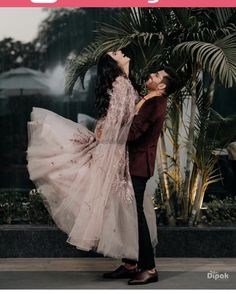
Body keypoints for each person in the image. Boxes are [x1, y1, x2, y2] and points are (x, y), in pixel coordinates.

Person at [26, 50, 157, 264]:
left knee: (118, 204)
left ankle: (130, 262)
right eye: (116, 53)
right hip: (116, 151)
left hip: (118, 149)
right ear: (112, 63)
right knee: (119, 203)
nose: (121, 51)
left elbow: (116, 118)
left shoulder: (124, 82)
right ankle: (131, 261)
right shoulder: (121, 84)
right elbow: (116, 122)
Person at [103, 66, 180, 285]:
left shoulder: (155, 103)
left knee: (136, 216)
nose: (151, 76)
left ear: (162, 85)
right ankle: (130, 264)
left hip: (138, 166)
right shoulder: (150, 99)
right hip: (133, 164)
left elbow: (134, 133)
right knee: (129, 214)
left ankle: (150, 268)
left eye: (156, 76)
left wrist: (108, 132)